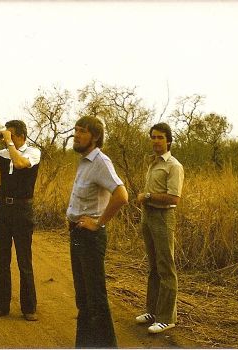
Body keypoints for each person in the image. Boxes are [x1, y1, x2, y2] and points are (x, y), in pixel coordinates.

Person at [66, 116, 129, 348]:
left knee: (96, 299)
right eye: (76, 130)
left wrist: (99, 223)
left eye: (82, 131)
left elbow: (122, 196)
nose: (77, 134)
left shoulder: (101, 162)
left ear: (95, 137)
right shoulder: (84, 162)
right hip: (77, 235)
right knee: (83, 299)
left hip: (90, 238)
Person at [0, 120, 41, 322]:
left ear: (20, 135)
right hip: (2, 207)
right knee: (2, 259)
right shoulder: (3, 154)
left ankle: (29, 308)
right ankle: (0, 305)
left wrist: (9, 143)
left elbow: (20, 164)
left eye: (9, 134)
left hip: (22, 208)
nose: (5, 138)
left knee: (24, 259)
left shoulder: (33, 152)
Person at [135, 122, 184, 334]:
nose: (156, 141)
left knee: (166, 267)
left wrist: (147, 196)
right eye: (153, 137)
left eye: (160, 137)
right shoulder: (153, 163)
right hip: (149, 216)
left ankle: (167, 317)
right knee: (153, 266)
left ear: (169, 140)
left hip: (164, 217)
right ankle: (153, 311)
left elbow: (174, 198)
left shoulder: (174, 165)